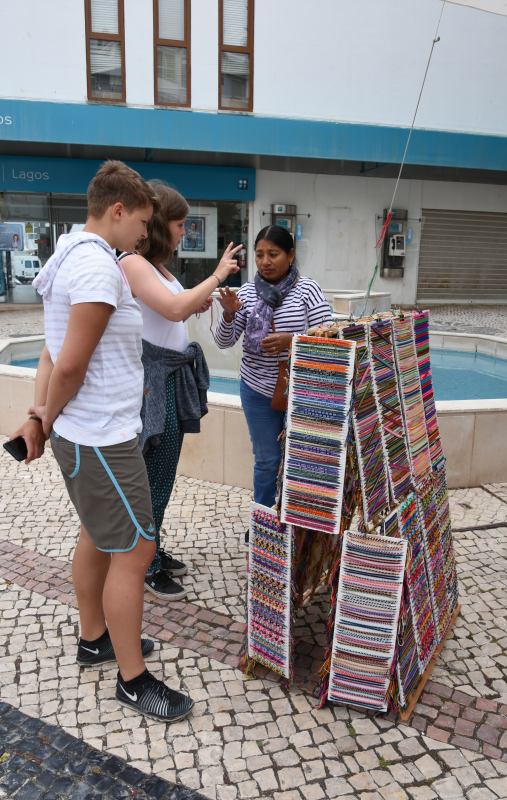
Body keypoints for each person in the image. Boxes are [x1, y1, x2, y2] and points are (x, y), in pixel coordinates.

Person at [8, 161, 194, 722]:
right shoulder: (93, 266)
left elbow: (50, 350)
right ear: (117, 210)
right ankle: (133, 680)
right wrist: (43, 418)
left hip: (88, 433)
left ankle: (96, 639)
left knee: (97, 534)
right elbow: (69, 365)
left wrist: (43, 416)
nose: (145, 232)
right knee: (136, 550)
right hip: (101, 438)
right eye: (141, 220)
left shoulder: (72, 252)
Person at [120, 181, 241, 599]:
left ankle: (152, 550)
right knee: (152, 478)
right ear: (157, 224)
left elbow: (177, 306)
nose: (183, 232)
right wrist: (216, 276)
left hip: (169, 379)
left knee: (163, 476)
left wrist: (199, 299)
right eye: (179, 223)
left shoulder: (161, 270)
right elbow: (173, 308)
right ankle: (145, 564)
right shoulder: (133, 263)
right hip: (153, 383)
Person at [215, 225, 332, 509]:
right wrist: (230, 313)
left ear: (290, 255)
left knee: (301, 458)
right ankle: (264, 519)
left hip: (300, 390)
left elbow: (331, 336)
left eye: (273, 254)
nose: (265, 261)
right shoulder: (246, 292)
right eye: (259, 255)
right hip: (257, 389)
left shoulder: (308, 290)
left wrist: (292, 341)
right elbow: (223, 342)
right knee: (267, 459)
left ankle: (295, 518)